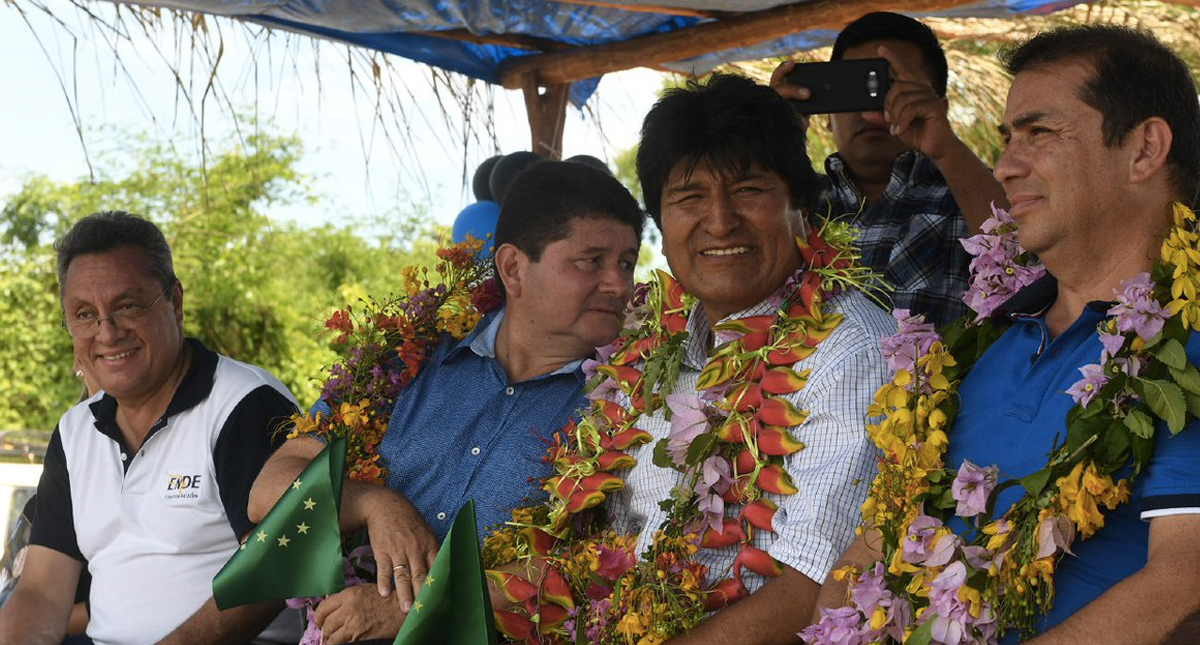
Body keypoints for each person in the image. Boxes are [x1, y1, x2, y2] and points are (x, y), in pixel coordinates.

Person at [819, 24, 1200, 643]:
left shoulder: (1186, 335)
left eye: (1039, 133)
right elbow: (873, 539)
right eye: (1006, 138)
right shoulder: (981, 342)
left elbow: (1183, 580)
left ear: (1145, 148)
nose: (1006, 165)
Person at [248, 160, 644, 643]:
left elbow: (608, 559)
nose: (619, 285)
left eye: (626, 263)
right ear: (514, 268)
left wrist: (418, 606)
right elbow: (268, 490)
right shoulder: (407, 359)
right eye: (592, 261)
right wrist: (374, 503)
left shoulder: (630, 400)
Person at [608, 73, 895, 643]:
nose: (719, 221)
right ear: (662, 231)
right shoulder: (650, 349)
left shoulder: (849, 349)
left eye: (748, 190)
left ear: (802, 209)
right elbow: (602, 547)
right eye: (689, 198)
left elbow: (813, 587)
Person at [0, 211, 301, 645]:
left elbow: (276, 563)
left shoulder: (243, 403)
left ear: (175, 302)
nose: (107, 332)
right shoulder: (74, 432)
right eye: (84, 314)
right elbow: (42, 593)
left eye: (128, 306)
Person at [772, 11, 1007, 327]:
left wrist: (946, 148)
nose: (873, 111)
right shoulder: (793, 202)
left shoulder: (971, 196)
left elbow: (1024, 258)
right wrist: (770, 143)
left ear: (940, 109)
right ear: (826, 114)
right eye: (857, 89)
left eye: (894, 90)